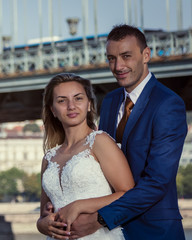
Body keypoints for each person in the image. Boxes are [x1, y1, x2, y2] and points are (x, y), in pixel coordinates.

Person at [42, 24, 188, 240]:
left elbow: (157, 182)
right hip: (107, 231)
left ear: (146, 55)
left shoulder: (167, 104)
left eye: (126, 56)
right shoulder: (110, 101)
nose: (118, 66)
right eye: (111, 58)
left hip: (151, 229)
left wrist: (99, 219)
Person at [36, 73, 135, 240]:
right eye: (62, 100)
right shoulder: (49, 157)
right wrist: (42, 225)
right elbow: (43, 215)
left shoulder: (100, 141)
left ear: (89, 104)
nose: (71, 106)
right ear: (52, 110)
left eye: (78, 98)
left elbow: (128, 194)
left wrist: (79, 205)